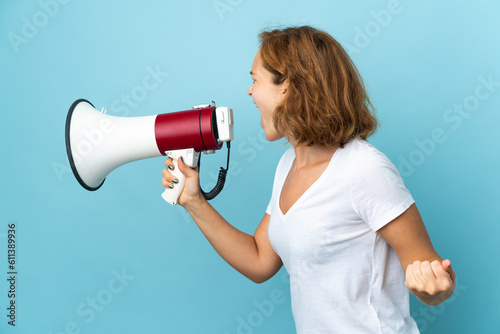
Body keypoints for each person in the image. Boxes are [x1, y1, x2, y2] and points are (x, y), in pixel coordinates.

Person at [161, 26, 456, 333]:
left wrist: (432, 285)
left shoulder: (363, 169)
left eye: (254, 79)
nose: (249, 91)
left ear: (286, 86)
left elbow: (439, 282)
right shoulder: (288, 164)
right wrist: (194, 201)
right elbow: (260, 262)